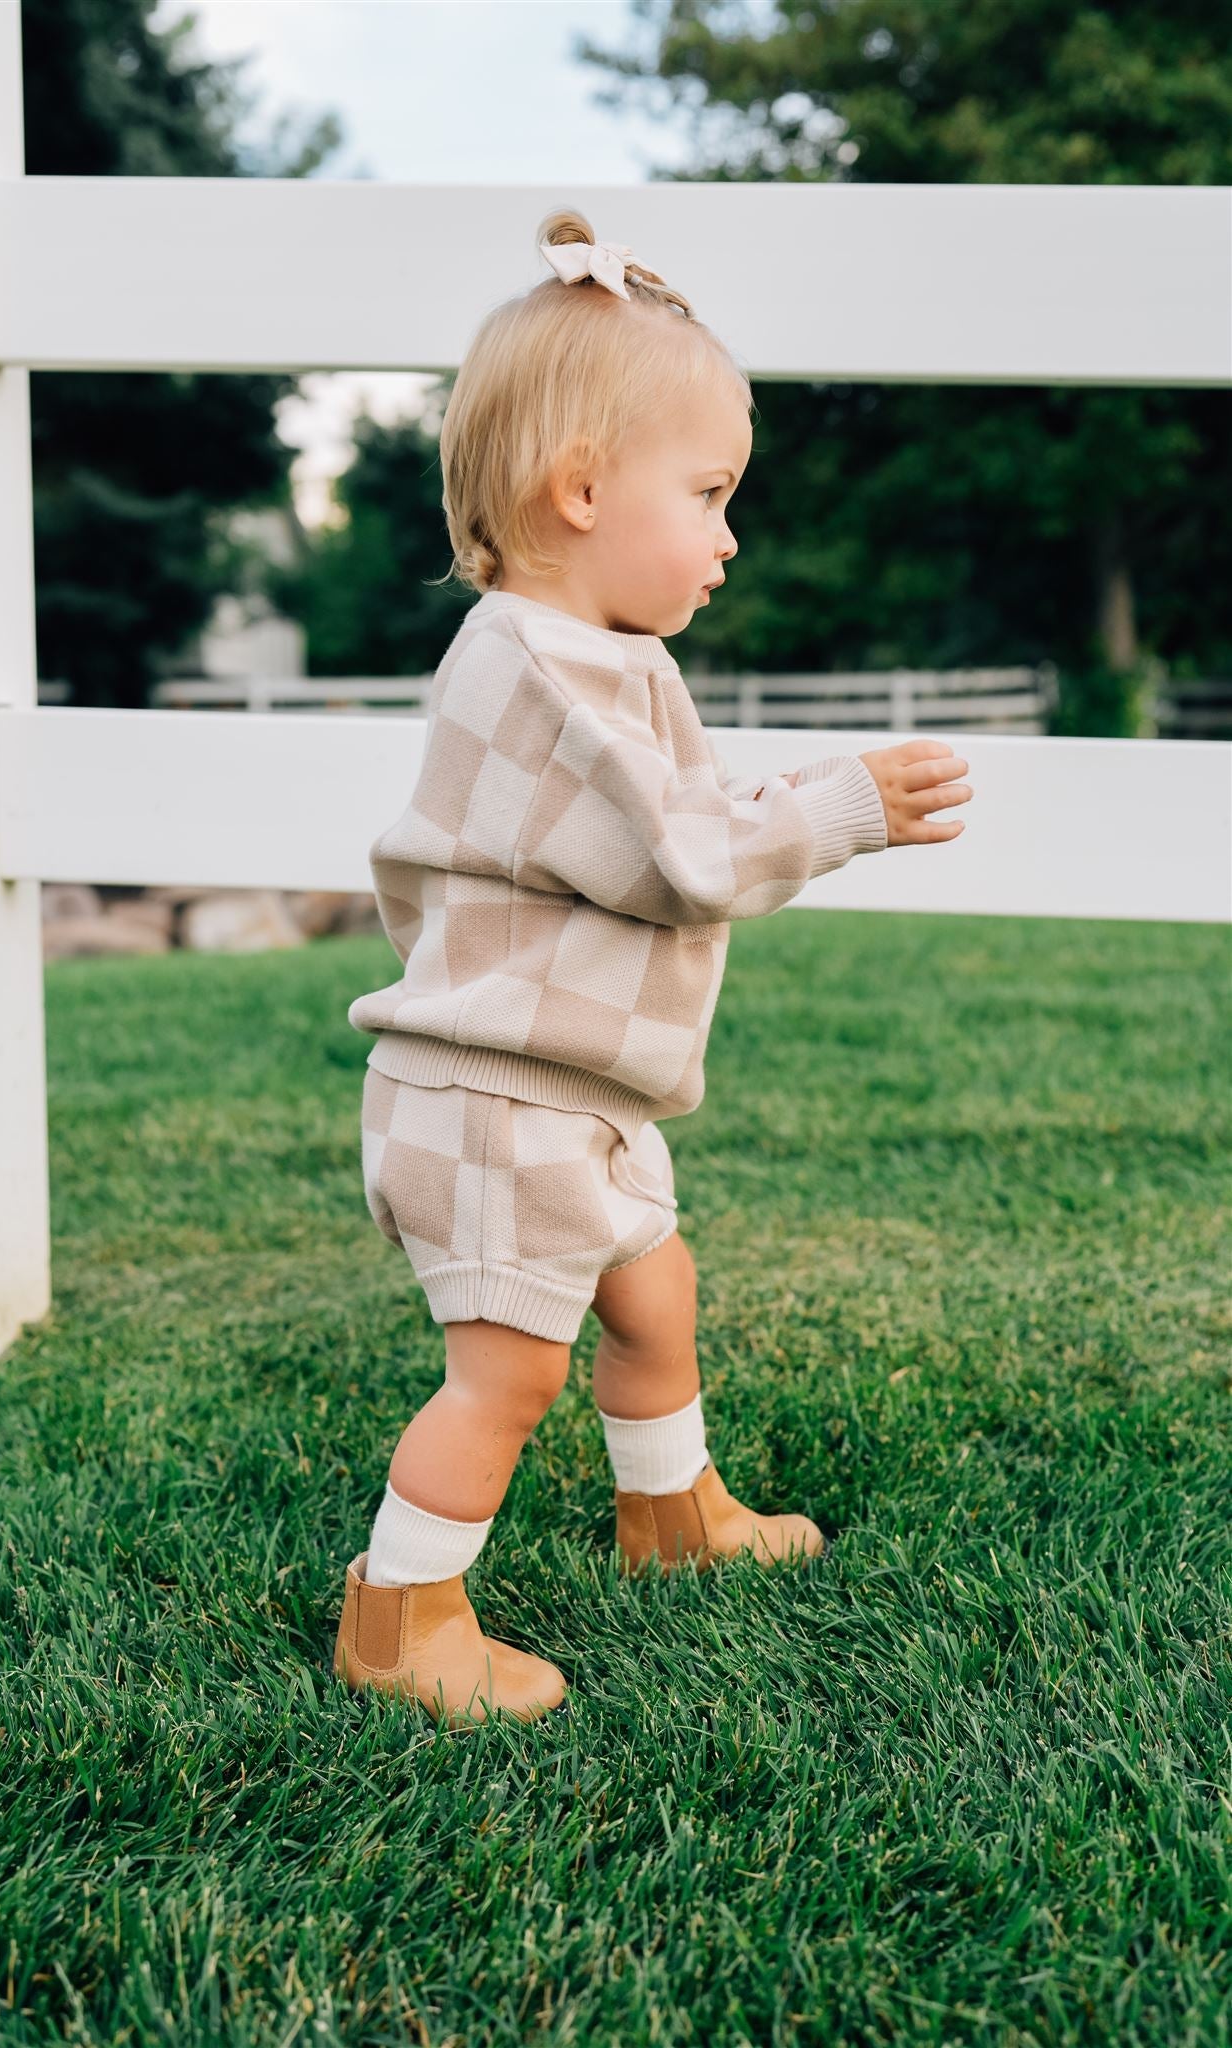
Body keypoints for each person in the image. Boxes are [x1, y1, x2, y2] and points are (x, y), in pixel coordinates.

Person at [331, 209, 973, 1725]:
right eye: (707, 493)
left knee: (653, 1294)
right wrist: (839, 812)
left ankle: (669, 1515)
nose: (728, 533)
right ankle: (397, 1612)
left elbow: (668, 830)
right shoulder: (535, 667)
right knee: (504, 1378)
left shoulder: (597, 657)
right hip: (497, 1102)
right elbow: (681, 857)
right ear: (580, 491)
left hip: (576, 1098)